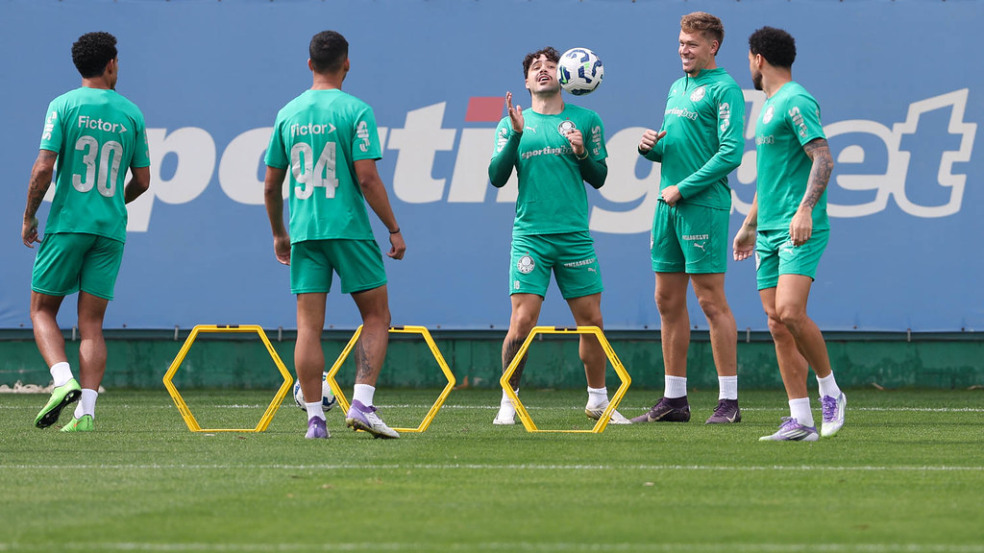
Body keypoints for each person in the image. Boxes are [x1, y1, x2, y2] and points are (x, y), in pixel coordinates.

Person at [263, 30, 406, 440]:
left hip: (305, 232)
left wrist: (279, 234)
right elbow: (367, 178)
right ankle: (361, 403)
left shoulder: (288, 113)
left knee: (308, 328)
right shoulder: (356, 110)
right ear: (347, 63)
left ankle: (314, 420)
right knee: (377, 316)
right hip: (349, 229)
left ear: (309, 64)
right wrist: (393, 229)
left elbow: (272, 186)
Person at [488, 46, 629, 426]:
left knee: (592, 322)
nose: (544, 70)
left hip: (574, 237)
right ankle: (509, 399)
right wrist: (516, 136)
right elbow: (497, 177)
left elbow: (599, 177)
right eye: (536, 67)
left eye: (551, 65)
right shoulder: (512, 122)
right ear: (526, 81)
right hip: (531, 236)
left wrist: (582, 153)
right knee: (522, 321)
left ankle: (598, 400)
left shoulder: (587, 119)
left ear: (565, 74)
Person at [24, 32, 152, 432]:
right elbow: (143, 181)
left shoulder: (63, 105)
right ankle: (87, 414)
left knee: (42, 308)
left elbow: (44, 167)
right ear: (111, 63)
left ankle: (62, 382)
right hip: (109, 230)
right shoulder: (131, 112)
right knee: (92, 323)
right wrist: (114, 201)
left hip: (68, 224)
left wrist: (29, 215)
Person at [733, 26, 846, 441]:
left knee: (790, 313)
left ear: (758, 58)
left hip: (798, 228)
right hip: (768, 230)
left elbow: (823, 158)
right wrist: (748, 225)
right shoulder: (768, 106)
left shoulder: (795, 100)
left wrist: (805, 211)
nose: (748, 65)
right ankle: (800, 420)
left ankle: (830, 390)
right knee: (777, 323)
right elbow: (771, 177)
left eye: (748, 58)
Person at [633, 12, 745, 425]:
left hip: (702, 205)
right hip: (668, 205)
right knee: (666, 300)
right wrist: (650, 148)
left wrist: (685, 188)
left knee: (710, 301)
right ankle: (675, 400)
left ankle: (729, 402)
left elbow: (730, 153)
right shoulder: (676, 87)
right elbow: (675, 146)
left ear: (712, 47)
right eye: (681, 42)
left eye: (692, 44)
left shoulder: (725, 88)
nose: (683, 49)